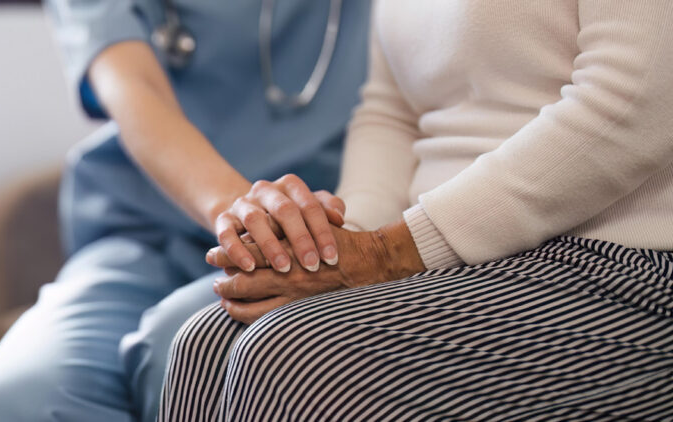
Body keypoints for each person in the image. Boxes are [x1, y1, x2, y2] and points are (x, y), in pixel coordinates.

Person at [159, 1, 673, 420]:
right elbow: (392, 112)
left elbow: (640, 95)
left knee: (294, 355)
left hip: (619, 258)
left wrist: (390, 251)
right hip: (464, 262)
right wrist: (338, 241)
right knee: (203, 343)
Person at [0, 1, 372, 421]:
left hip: (309, 243)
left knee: (186, 361)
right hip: (145, 237)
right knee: (16, 402)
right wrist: (245, 214)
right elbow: (132, 84)